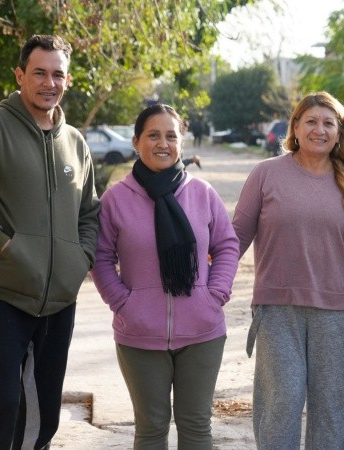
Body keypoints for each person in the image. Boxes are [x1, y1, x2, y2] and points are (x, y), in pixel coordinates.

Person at [0, 34, 100, 449]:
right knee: (5, 406)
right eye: (39, 73)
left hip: (60, 300)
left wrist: (80, 259)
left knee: (45, 412)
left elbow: (89, 213)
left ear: (68, 79)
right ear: (20, 75)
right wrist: (4, 245)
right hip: (0, 294)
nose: (49, 82)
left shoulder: (76, 144)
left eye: (58, 74)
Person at [231, 91, 344, 449]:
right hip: (276, 310)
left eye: (328, 123)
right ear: (295, 127)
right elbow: (236, 237)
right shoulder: (266, 174)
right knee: (281, 402)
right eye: (311, 121)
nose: (320, 130)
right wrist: (211, 288)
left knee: (333, 408)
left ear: (339, 131)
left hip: (338, 312)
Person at [91, 104, 239, 449]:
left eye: (171, 136)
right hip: (139, 335)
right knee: (151, 428)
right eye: (153, 135)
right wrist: (123, 303)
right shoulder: (116, 199)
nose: (163, 143)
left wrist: (214, 294)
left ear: (181, 143)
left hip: (202, 332)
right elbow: (100, 257)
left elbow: (227, 246)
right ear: (136, 142)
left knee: (196, 426)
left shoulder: (202, 193)